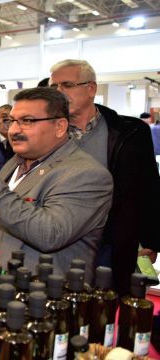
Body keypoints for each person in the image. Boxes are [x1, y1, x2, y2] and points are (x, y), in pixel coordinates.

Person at [0, 87, 113, 283]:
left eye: (27, 121)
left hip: (43, 302)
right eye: (12, 121)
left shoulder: (88, 175)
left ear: (60, 127)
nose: (13, 130)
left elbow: (50, 233)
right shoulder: (15, 161)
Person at [50, 59, 160, 293]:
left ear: (91, 88)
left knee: (106, 306)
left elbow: (148, 186)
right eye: (54, 87)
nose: (59, 93)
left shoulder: (130, 131)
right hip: (58, 240)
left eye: (67, 85)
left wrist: (151, 239)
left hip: (113, 240)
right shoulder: (47, 133)